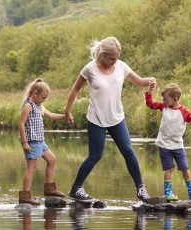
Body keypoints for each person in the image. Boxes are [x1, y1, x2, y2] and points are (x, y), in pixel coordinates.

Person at [63, 36, 155, 203]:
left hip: (117, 117)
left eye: (117, 58)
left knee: (128, 151)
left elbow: (140, 81)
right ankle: (76, 189)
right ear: (103, 55)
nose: (115, 61)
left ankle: (141, 190)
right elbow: (75, 89)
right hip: (96, 118)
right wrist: (67, 110)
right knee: (95, 155)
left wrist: (150, 81)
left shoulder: (121, 66)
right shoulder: (90, 69)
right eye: (112, 58)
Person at [145, 82, 191, 201]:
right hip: (164, 145)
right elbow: (150, 104)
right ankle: (168, 193)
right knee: (168, 168)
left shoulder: (184, 111)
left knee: (185, 168)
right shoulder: (163, 106)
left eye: (165, 99)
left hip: (178, 146)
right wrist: (150, 92)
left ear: (175, 99)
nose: (163, 101)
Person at [18, 78, 66, 205]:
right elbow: (21, 124)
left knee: (52, 160)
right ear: (35, 93)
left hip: (40, 140)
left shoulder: (39, 105)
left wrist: (64, 116)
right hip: (31, 141)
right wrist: (25, 143)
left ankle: (50, 189)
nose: (44, 100)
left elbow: (50, 115)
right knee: (31, 168)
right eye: (43, 97)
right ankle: (25, 195)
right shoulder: (28, 105)